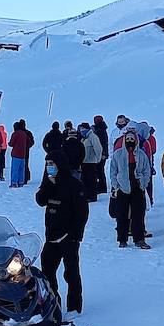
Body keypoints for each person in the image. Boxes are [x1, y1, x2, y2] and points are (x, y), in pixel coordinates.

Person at [35, 151, 88, 314]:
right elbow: (40, 200)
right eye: (47, 164)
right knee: (47, 272)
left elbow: (82, 213)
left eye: (52, 164)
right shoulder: (49, 182)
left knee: (71, 273)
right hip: (51, 237)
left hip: (68, 237)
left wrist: (74, 235)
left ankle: (74, 307)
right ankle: (53, 303)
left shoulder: (74, 185)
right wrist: (48, 184)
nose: (49, 167)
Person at [108, 129, 152, 249]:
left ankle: (139, 239)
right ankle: (122, 239)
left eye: (132, 139)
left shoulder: (142, 155)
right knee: (121, 215)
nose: (130, 141)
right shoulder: (118, 154)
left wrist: (144, 183)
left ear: (136, 140)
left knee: (138, 215)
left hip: (137, 188)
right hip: (123, 188)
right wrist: (116, 186)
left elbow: (147, 170)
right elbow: (113, 171)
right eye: (128, 139)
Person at [78, 123, 101, 202]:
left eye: (83, 129)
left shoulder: (93, 137)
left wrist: (98, 159)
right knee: (85, 180)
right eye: (80, 130)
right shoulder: (84, 138)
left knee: (91, 180)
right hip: (84, 162)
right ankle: (86, 195)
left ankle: (92, 196)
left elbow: (98, 148)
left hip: (91, 162)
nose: (81, 131)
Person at [8, 119, 34, 188]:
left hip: (16, 153)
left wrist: (9, 143)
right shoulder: (25, 133)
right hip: (24, 153)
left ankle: (14, 182)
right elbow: (30, 142)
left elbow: (11, 143)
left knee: (15, 169)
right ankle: (21, 182)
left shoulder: (15, 133)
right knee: (22, 168)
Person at [92, 115, 110, 194]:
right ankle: (101, 187)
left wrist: (103, 153)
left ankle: (101, 187)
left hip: (101, 154)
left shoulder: (100, 130)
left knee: (99, 170)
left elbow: (103, 143)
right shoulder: (101, 129)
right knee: (100, 170)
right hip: (102, 153)